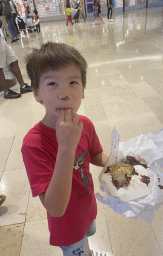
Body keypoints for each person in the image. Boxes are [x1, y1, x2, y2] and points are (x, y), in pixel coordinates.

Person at [21, 42, 114, 256]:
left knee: (87, 236)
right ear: (37, 94)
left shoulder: (85, 124)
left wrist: (116, 162)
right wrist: (66, 147)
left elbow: (95, 154)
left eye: (73, 82)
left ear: (82, 91)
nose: (64, 93)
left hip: (86, 207)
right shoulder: (33, 144)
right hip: (66, 224)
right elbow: (54, 208)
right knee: (76, 246)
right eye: (52, 83)